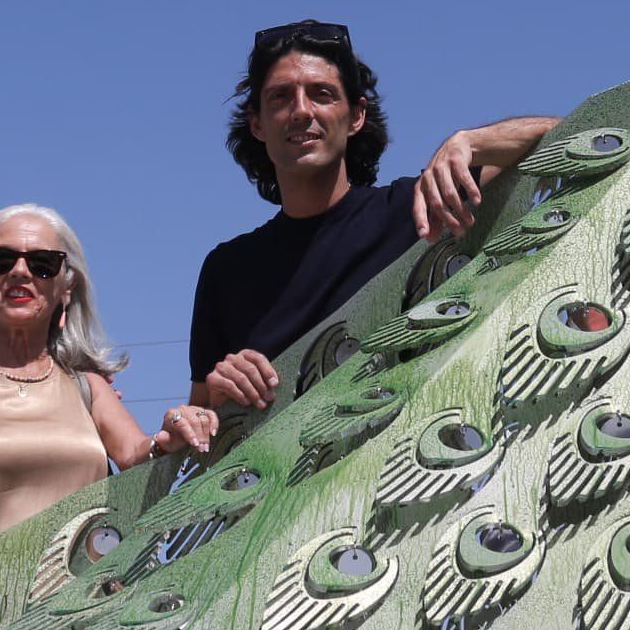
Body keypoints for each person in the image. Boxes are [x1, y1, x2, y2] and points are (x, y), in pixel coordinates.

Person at [188, 20, 560, 411]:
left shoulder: (421, 208)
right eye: (281, 97)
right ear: (257, 124)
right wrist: (215, 397)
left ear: (356, 116)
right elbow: (197, 424)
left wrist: (472, 141)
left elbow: (572, 134)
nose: (301, 111)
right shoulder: (226, 271)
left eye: (322, 94)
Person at [0, 205, 217, 595]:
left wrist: (175, 428)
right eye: (0, 260)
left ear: (66, 287)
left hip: (80, 621)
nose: (20, 272)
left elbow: (140, 455)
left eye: (42, 264)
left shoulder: (88, 387)